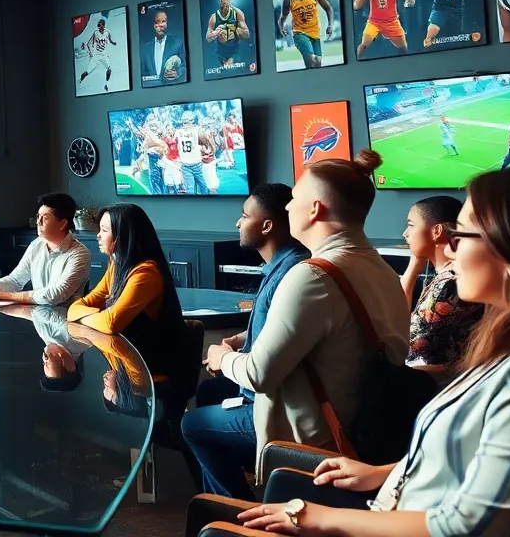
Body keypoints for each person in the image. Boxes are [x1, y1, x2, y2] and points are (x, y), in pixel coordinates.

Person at [232, 164, 510, 536]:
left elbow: (470, 525)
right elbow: (469, 460)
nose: (450, 249)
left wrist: (317, 517)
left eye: (461, 235)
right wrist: (383, 472)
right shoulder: (507, 348)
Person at [204, 151, 409, 489]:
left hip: (314, 448)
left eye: (294, 198)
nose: (286, 207)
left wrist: (221, 357)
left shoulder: (311, 277)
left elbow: (258, 374)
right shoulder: (382, 269)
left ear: (315, 209)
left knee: (194, 426)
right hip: (367, 435)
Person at [180, 184, 309, 498]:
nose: (238, 223)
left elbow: (269, 362)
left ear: (266, 226)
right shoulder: (283, 266)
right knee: (210, 391)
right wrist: (241, 340)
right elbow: (277, 330)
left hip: (270, 405)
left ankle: (237, 512)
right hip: (259, 390)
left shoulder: (290, 273)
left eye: (244, 216)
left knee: (191, 426)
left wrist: (223, 358)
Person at [66, 203, 186, 376]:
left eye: (104, 230)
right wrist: (94, 315)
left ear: (123, 236)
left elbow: (111, 323)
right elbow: (75, 308)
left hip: (151, 372)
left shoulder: (146, 273)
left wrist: (83, 318)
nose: (98, 235)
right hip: (126, 364)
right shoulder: (117, 265)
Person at [401, 195, 483, 382]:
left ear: (437, 231)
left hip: (434, 385)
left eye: (411, 225)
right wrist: (414, 267)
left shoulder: (449, 285)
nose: (405, 233)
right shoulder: (446, 277)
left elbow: (403, 342)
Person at [0, 193, 89, 305]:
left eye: (45, 218)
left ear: (62, 224)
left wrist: (5, 295)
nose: (38, 222)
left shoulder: (79, 253)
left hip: (67, 318)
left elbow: (55, 295)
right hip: (39, 316)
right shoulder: (36, 246)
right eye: (38, 216)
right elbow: (15, 280)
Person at [278, 0, 336, 69]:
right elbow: (282, 17)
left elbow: (328, 8)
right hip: (299, 33)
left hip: (314, 32)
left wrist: (330, 25)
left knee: (317, 63)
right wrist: (281, 26)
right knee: (311, 59)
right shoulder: (288, 0)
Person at [206, 0, 250, 74]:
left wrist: (235, 29)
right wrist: (216, 32)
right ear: (219, 0)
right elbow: (208, 38)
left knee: (233, 71)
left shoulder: (237, 13)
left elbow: (247, 35)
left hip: (235, 52)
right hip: (219, 53)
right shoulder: (214, 17)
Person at [140, 10, 186, 86]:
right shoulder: (146, 49)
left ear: (167, 23)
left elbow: (185, 67)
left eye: (163, 21)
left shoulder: (178, 44)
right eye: (157, 22)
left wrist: (178, 73)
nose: (160, 25)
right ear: (153, 25)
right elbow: (142, 74)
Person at [79, 18, 118, 92]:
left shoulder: (107, 32)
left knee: (109, 69)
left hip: (104, 55)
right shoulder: (96, 33)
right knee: (88, 71)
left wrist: (113, 43)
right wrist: (90, 52)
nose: (100, 28)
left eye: (101, 26)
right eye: (99, 26)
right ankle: (81, 80)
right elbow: (90, 43)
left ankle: (106, 84)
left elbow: (109, 39)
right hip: (96, 55)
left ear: (104, 26)